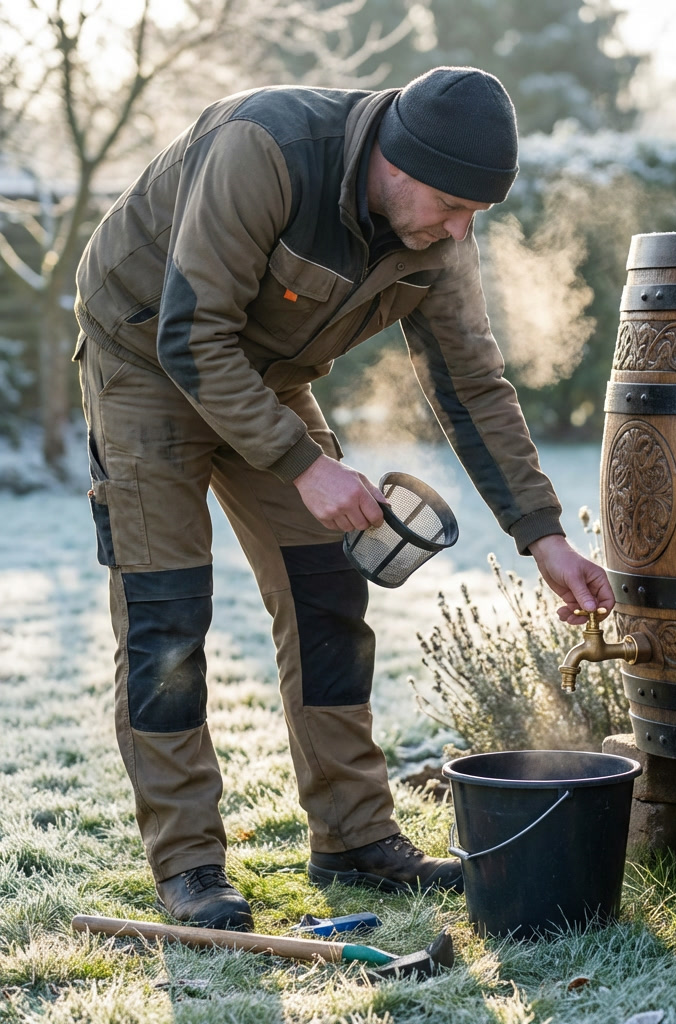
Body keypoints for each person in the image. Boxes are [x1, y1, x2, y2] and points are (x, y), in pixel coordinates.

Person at [73, 66, 615, 932]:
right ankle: (188, 866)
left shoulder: (438, 231)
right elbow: (191, 330)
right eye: (450, 204)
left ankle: (355, 838)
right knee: (166, 616)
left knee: (329, 591)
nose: (459, 229)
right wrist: (305, 465)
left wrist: (544, 537)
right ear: (396, 163)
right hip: (145, 359)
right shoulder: (267, 148)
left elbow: (473, 386)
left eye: (475, 214)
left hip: (264, 378)